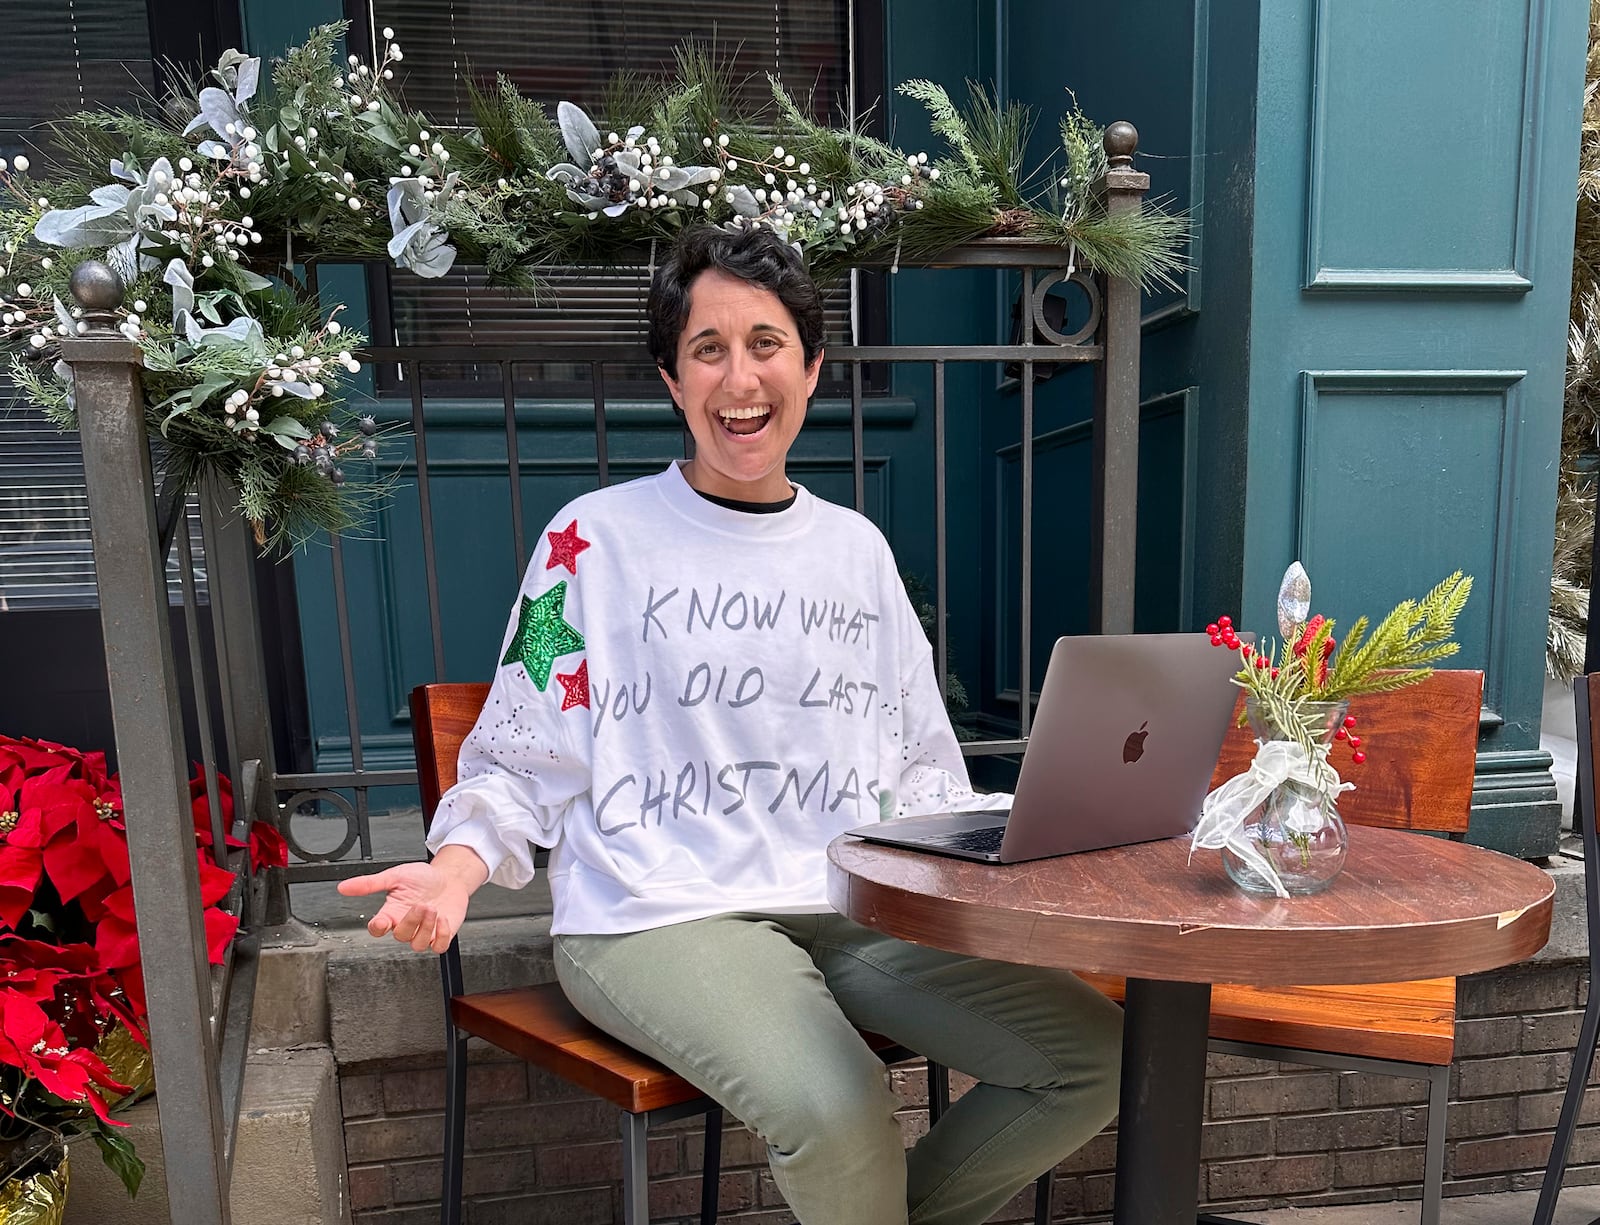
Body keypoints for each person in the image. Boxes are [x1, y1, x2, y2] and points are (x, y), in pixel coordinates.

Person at [339, 224, 1122, 1225]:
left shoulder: (858, 553)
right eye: (707, 348)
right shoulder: (594, 542)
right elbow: (519, 754)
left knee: (1090, 1058)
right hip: (655, 911)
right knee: (838, 1113)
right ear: (672, 380)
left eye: (764, 342)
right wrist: (453, 866)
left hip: (850, 900)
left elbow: (924, 773)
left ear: (811, 366)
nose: (738, 376)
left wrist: (1029, 839)